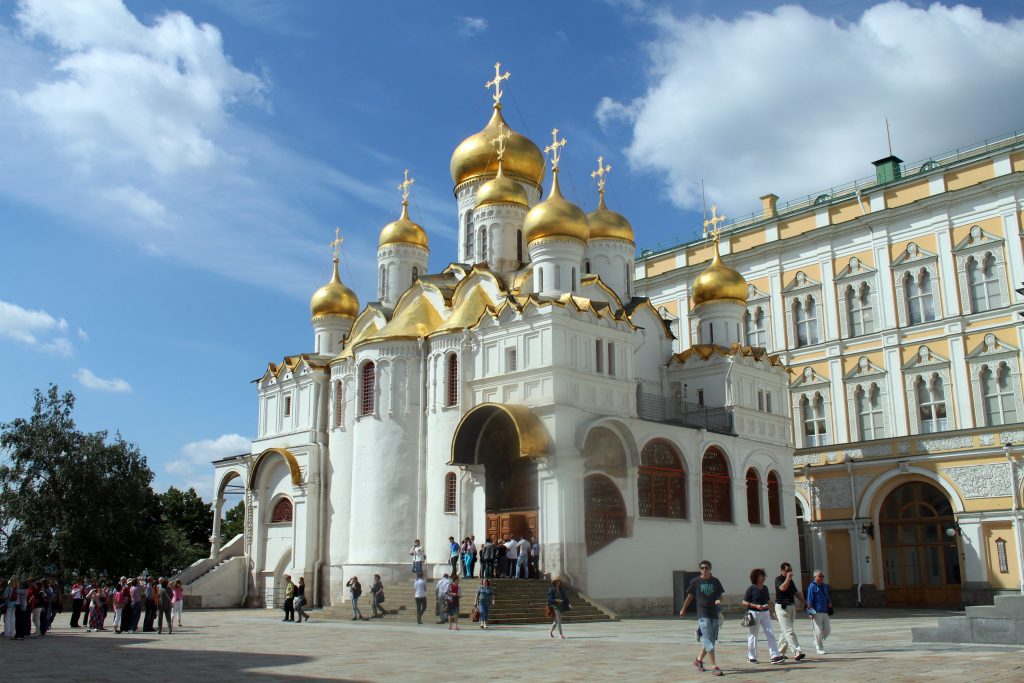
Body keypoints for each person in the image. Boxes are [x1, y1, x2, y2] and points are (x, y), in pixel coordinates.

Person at [679, 560, 725, 677]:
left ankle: (698, 660)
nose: (704, 570)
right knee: (708, 639)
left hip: (714, 613)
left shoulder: (715, 581)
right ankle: (714, 666)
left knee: (711, 640)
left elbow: (720, 594)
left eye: (707, 568)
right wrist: (684, 608)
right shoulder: (696, 581)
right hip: (703, 614)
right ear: (700, 569)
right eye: (702, 568)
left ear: (710, 569)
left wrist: (719, 599)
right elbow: (690, 596)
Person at [743, 568, 783, 664]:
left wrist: (773, 612)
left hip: (765, 613)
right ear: (756, 577)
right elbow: (744, 602)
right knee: (753, 635)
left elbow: (768, 601)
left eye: (764, 575)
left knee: (770, 633)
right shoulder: (751, 588)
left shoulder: (765, 588)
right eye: (762, 576)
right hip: (754, 614)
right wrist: (756, 606)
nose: (764, 577)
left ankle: (775, 656)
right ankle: (752, 657)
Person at [774, 562, 806, 661]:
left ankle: (779, 652)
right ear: (782, 570)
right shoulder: (778, 579)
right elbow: (782, 588)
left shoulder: (791, 581)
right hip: (782, 608)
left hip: (791, 607)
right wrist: (787, 578)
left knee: (785, 631)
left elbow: (796, 592)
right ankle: (797, 651)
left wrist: (805, 602)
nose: (790, 572)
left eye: (791, 570)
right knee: (789, 631)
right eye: (788, 570)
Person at [806, 569, 832, 655]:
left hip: (825, 611)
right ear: (815, 577)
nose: (821, 578)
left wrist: (829, 603)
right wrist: (810, 612)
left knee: (827, 630)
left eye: (822, 576)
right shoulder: (812, 586)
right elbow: (810, 600)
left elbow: (827, 596)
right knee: (818, 631)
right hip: (816, 612)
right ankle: (819, 648)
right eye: (819, 576)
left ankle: (816, 641)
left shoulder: (825, 586)